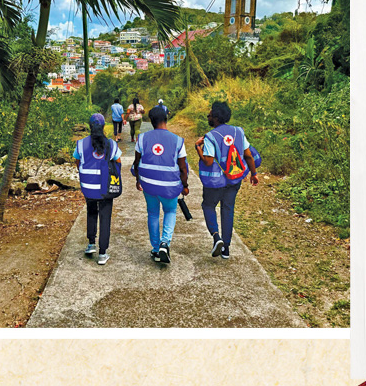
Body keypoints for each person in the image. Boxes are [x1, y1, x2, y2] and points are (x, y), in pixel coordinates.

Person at [195, 101, 259, 260]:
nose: (208, 117)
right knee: (227, 209)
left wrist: (198, 148)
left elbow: (208, 161)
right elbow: (248, 155)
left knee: (208, 205)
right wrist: (253, 173)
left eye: (209, 115)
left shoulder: (210, 136)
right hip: (234, 179)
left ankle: (217, 237)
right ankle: (226, 249)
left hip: (216, 182)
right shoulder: (239, 131)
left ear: (216, 118)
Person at [133, 105, 189, 264]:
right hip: (170, 186)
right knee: (170, 211)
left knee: (152, 213)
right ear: (166, 119)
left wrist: (138, 180)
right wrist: (185, 186)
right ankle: (165, 243)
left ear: (151, 121)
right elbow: (182, 167)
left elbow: (137, 163)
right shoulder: (178, 140)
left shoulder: (142, 138)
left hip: (148, 184)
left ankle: (156, 249)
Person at [74, 113, 122, 265]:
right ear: (103, 127)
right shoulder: (111, 144)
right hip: (105, 187)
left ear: (89, 127)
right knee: (105, 217)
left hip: (88, 187)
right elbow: (118, 162)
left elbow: (77, 161)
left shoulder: (80, 144)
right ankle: (102, 254)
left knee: (91, 212)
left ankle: (90, 244)